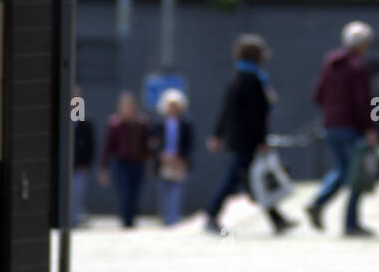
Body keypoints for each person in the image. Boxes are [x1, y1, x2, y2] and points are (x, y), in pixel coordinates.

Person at [204, 34, 297, 235]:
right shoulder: (253, 80)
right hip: (247, 141)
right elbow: (258, 115)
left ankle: (277, 219)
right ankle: (211, 215)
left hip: (240, 139)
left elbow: (225, 110)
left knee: (255, 180)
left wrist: (217, 135)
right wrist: (261, 140)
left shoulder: (238, 77)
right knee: (234, 179)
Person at [307, 21, 378, 237]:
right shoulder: (359, 67)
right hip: (351, 127)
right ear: (364, 44)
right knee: (356, 173)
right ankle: (350, 223)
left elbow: (317, 94)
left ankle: (319, 202)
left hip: (330, 125)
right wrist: (370, 128)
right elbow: (362, 101)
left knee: (342, 169)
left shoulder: (330, 63)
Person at [99, 91, 151, 229]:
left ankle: (131, 220)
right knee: (125, 193)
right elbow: (107, 147)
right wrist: (104, 168)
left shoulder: (141, 123)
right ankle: (126, 221)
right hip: (121, 164)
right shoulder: (115, 124)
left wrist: (149, 163)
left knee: (135, 193)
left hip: (137, 163)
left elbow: (146, 146)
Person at [148, 88, 194, 227]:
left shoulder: (186, 123)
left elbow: (189, 144)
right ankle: (165, 221)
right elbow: (152, 143)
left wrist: (180, 159)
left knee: (176, 197)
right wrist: (161, 155)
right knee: (163, 197)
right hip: (162, 164)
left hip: (179, 164)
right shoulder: (157, 123)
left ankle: (172, 223)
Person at [71, 85, 95, 228]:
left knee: (77, 194)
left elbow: (89, 143)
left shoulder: (84, 121)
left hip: (79, 165)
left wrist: (86, 162)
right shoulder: (61, 116)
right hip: (65, 165)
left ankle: (73, 221)